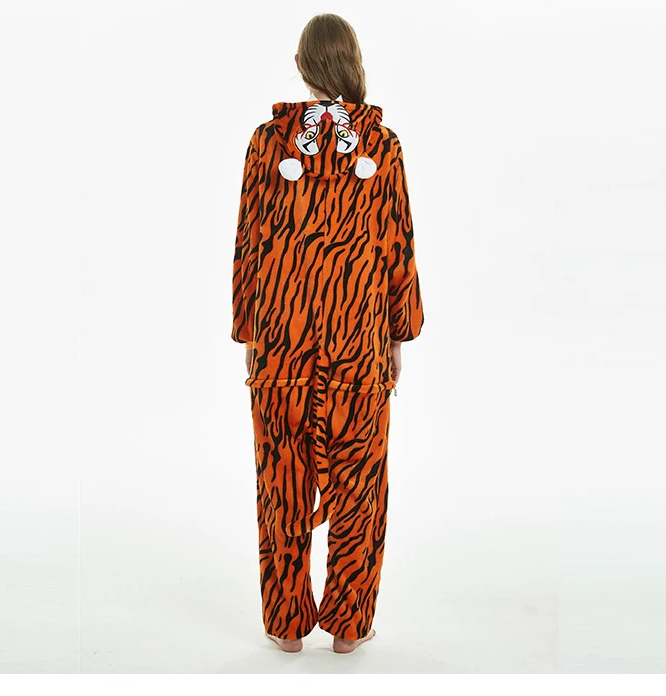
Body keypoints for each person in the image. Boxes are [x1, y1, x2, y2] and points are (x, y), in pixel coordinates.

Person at [231, 13, 425, 654]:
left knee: (281, 483)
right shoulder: (383, 146)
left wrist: (248, 331)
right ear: (353, 61)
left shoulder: (267, 142)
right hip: (357, 343)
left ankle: (286, 626)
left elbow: (249, 243)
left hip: (281, 344)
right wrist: (398, 334)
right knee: (359, 489)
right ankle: (347, 627)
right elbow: (397, 246)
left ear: (301, 65)